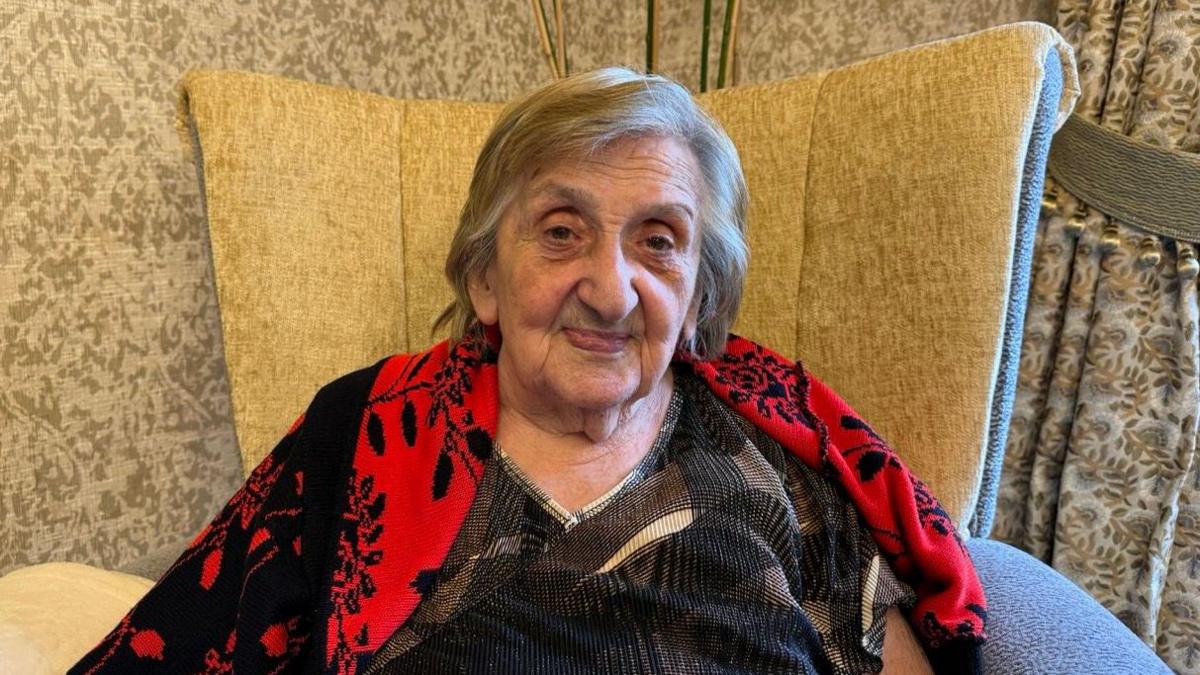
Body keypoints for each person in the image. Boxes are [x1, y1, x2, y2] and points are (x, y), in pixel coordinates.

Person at [72, 67, 985, 675]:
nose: (611, 286)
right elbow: (177, 647)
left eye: (658, 241)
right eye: (561, 231)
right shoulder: (363, 434)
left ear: (699, 295)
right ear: (485, 277)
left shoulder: (782, 458)